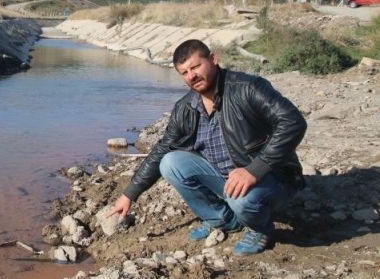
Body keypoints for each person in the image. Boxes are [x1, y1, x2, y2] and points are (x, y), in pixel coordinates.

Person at [106, 39, 307, 256]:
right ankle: (223, 220)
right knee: (170, 162)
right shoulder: (185, 107)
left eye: (195, 67)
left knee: (241, 198)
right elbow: (162, 149)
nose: (191, 76)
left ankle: (260, 229)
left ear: (213, 59)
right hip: (225, 179)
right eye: (184, 72)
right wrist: (130, 194)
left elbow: (293, 122)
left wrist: (255, 170)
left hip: (272, 178)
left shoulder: (247, 88)